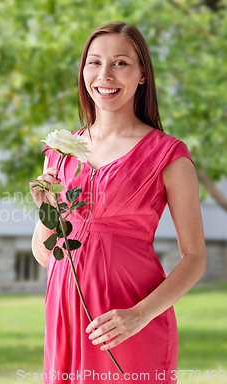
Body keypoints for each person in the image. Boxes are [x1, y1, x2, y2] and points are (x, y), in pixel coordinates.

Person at [29, 22, 206, 384]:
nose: (104, 75)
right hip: (67, 312)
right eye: (94, 62)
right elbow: (44, 251)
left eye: (120, 63)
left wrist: (139, 315)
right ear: (83, 71)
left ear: (142, 75)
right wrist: (48, 210)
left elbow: (195, 258)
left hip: (129, 319)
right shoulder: (60, 150)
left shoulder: (169, 155)